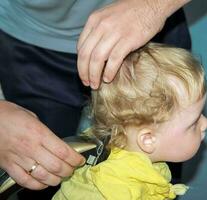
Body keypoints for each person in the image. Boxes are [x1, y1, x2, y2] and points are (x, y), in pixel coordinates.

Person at [0, 0, 192, 197]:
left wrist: (153, 6)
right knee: (39, 174)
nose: (206, 123)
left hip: (145, 33)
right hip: (29, 43)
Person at [52, 43, 207, 200]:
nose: (206, 123)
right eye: (194, 123)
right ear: (148, 139)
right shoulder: (116, 190)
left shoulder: (135, 163)